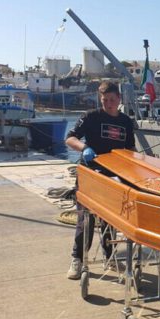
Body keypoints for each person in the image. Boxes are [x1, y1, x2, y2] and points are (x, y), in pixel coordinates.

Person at [65, 81, 135, 279]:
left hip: (113, 176)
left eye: (112, 100)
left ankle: (110, 257)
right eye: (105, 100)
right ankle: (77, 259)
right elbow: (70, 138)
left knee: (110, 219)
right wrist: (84, 148)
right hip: (90, 174)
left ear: (119, 99)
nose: (109, 104)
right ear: (100, 98)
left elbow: (130, 149)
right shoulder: (90, 117)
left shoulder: (126, 122)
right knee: (85, 219)